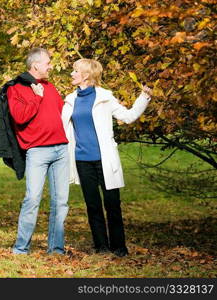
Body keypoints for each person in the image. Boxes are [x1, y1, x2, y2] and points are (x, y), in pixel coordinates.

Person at [61, 58, 152, 257]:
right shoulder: (69, 100)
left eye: (75, 71)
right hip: (82, 161)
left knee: (112, 204)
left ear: (86, 75)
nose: (72, 74)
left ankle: (119, 247)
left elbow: (128, 117)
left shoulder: (105, 97)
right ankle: (101, 247)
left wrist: (144, 97)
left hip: (105, 160)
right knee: (92, 205)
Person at [7, 48, 70, 255]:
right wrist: (36, 98)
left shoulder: (49, 87)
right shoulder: (16, 88)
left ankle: (56, 249)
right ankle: (21, 248)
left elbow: (62, 114)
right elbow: (19, 117)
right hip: (37, 151)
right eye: (48, 62)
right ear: (35, 65)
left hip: (61, 149)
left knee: (61, 202)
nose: (51, 66)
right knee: (32, 199)